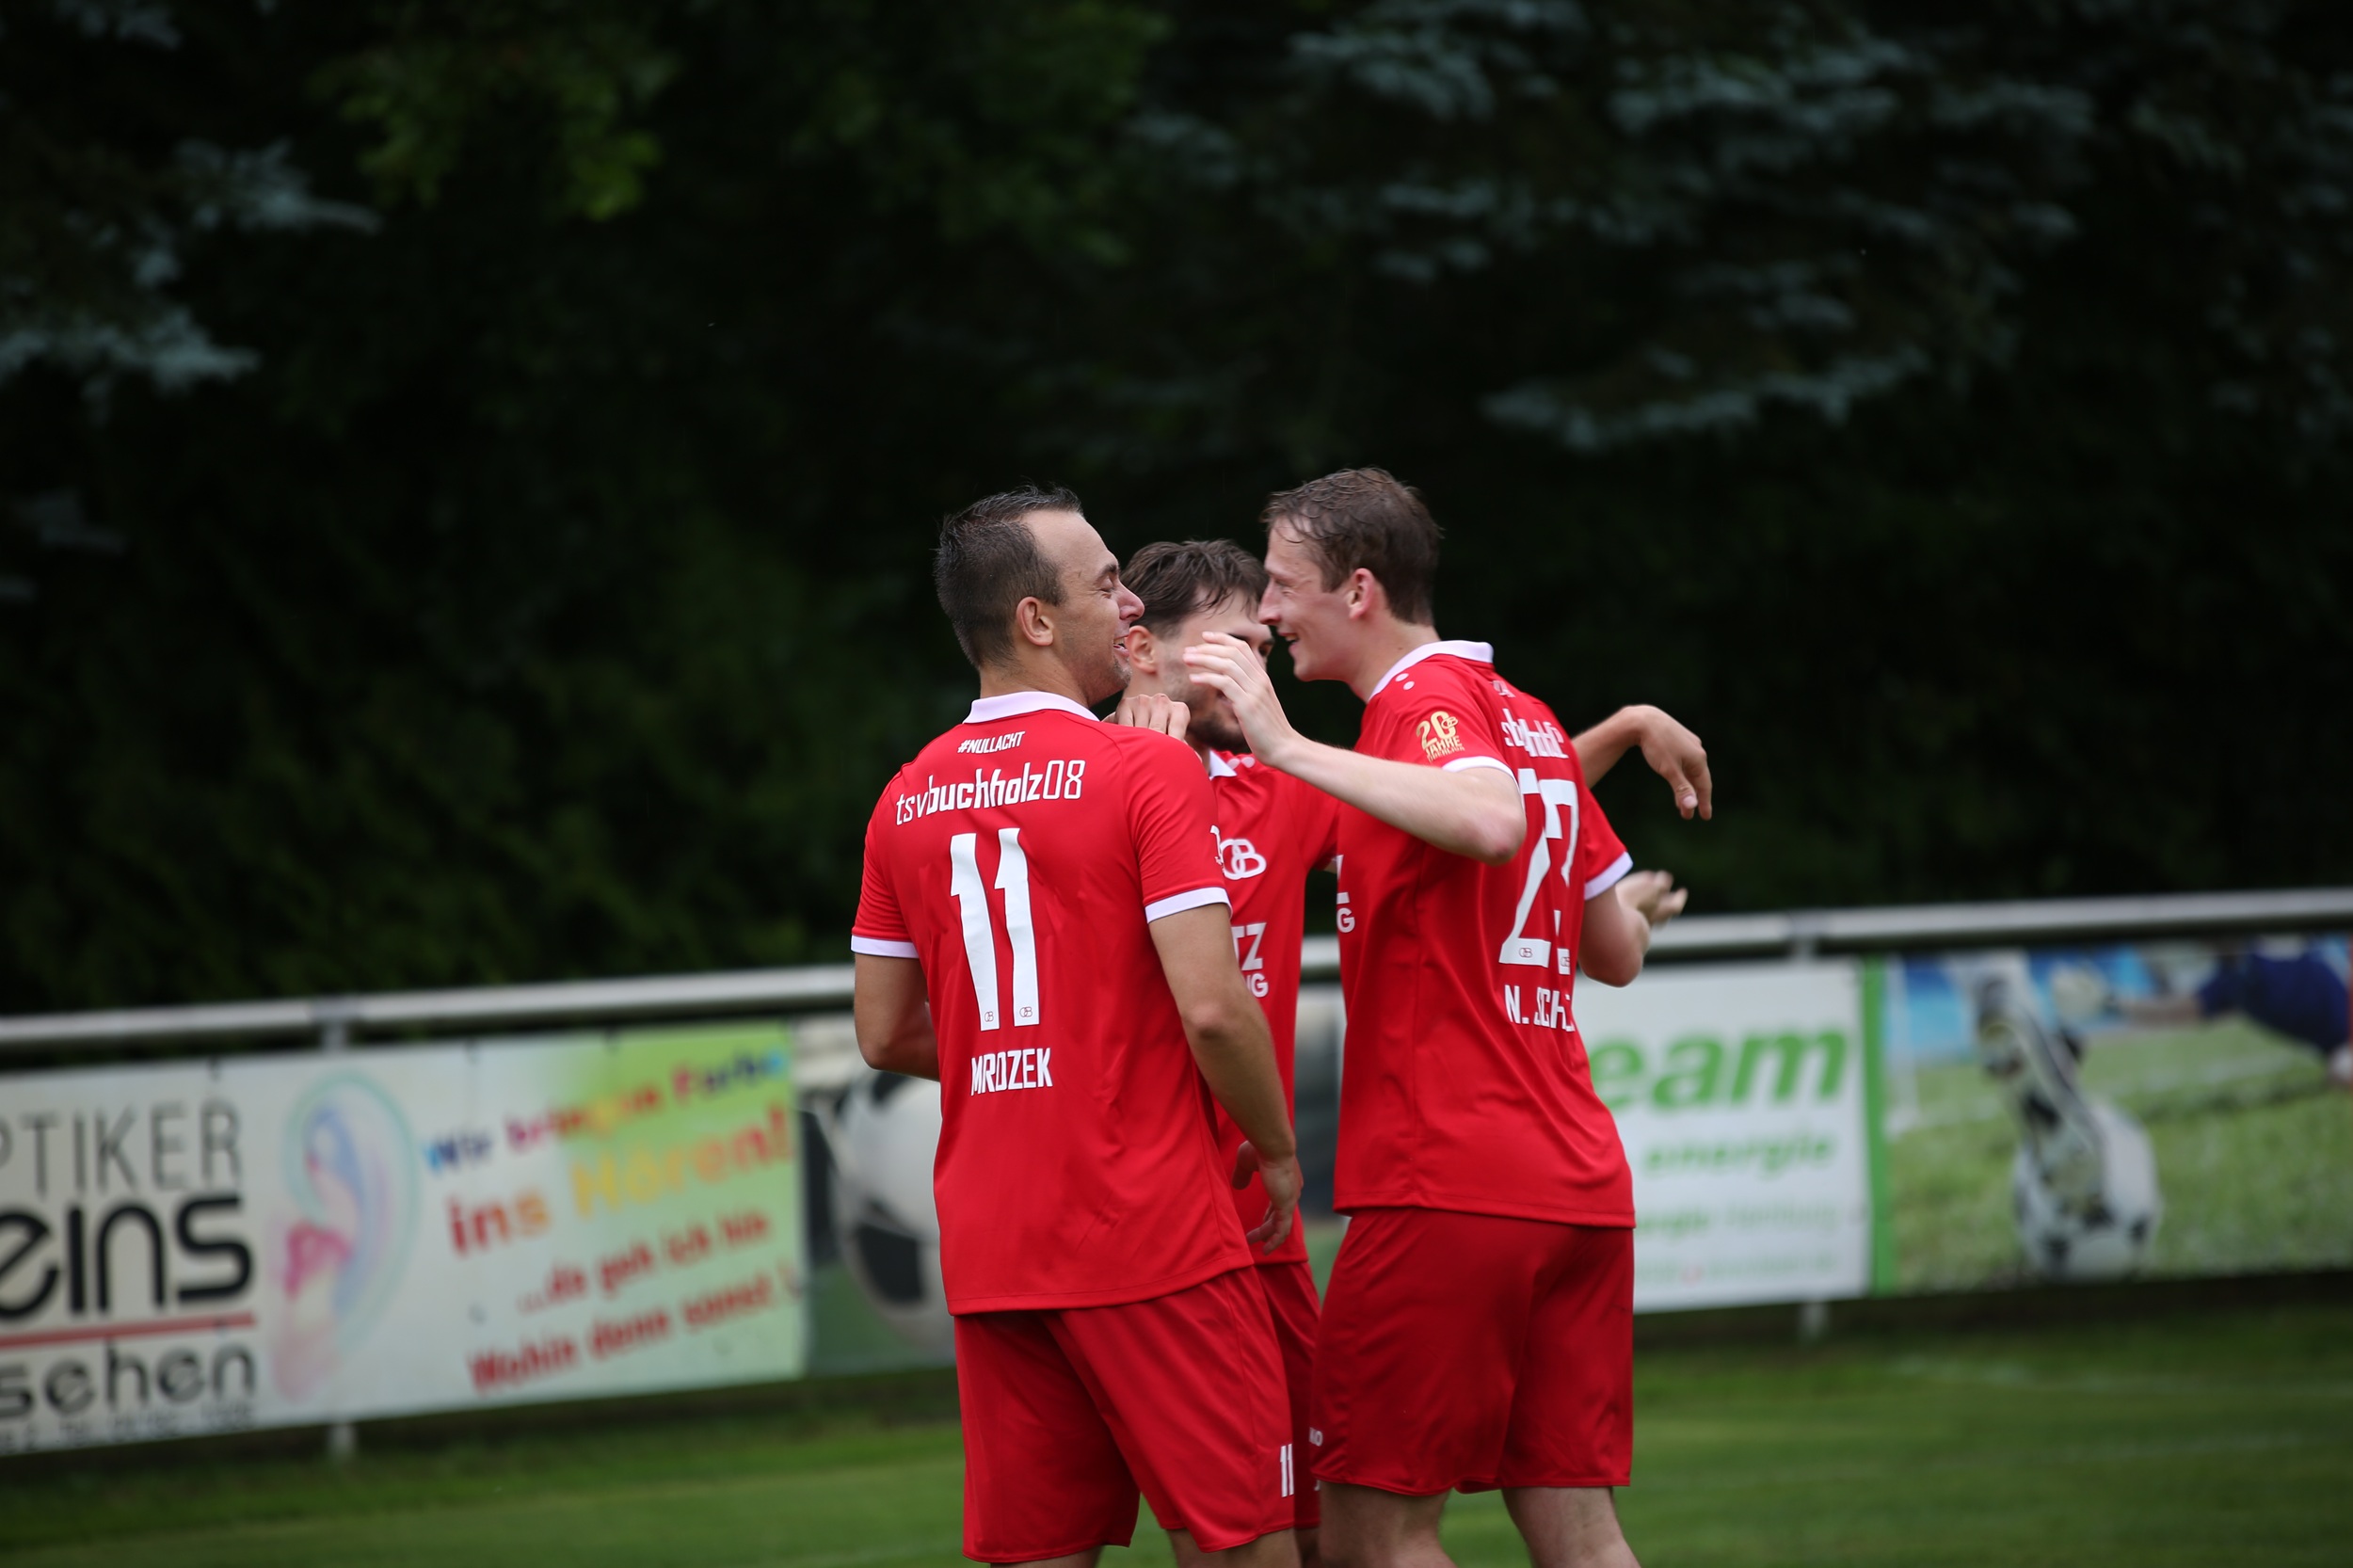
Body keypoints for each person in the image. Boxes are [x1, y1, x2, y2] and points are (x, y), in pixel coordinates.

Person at [1111, 539, 1716, 1568]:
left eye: (1263, 641)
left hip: (1267, 1215)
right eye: (1232, 647)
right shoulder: (1097, 788)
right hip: (1151, 1216)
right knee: (1242, 1532)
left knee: (1326, 1531)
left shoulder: (1271, 780)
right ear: (1143, 653)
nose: (1259, 661)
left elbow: (1457, 806)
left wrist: (1610, 737)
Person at [850, 487, 1305, 1568]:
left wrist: (1042, 1054)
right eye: (1106, 580)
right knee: (1244, 1544)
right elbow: (1211, 1006)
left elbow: (884, 1032)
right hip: (1153, 1236)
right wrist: (1278, 1151)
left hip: (996, 1248)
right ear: (1035, 622)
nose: (1131, 598)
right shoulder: (1144, 766)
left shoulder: (902, 797)